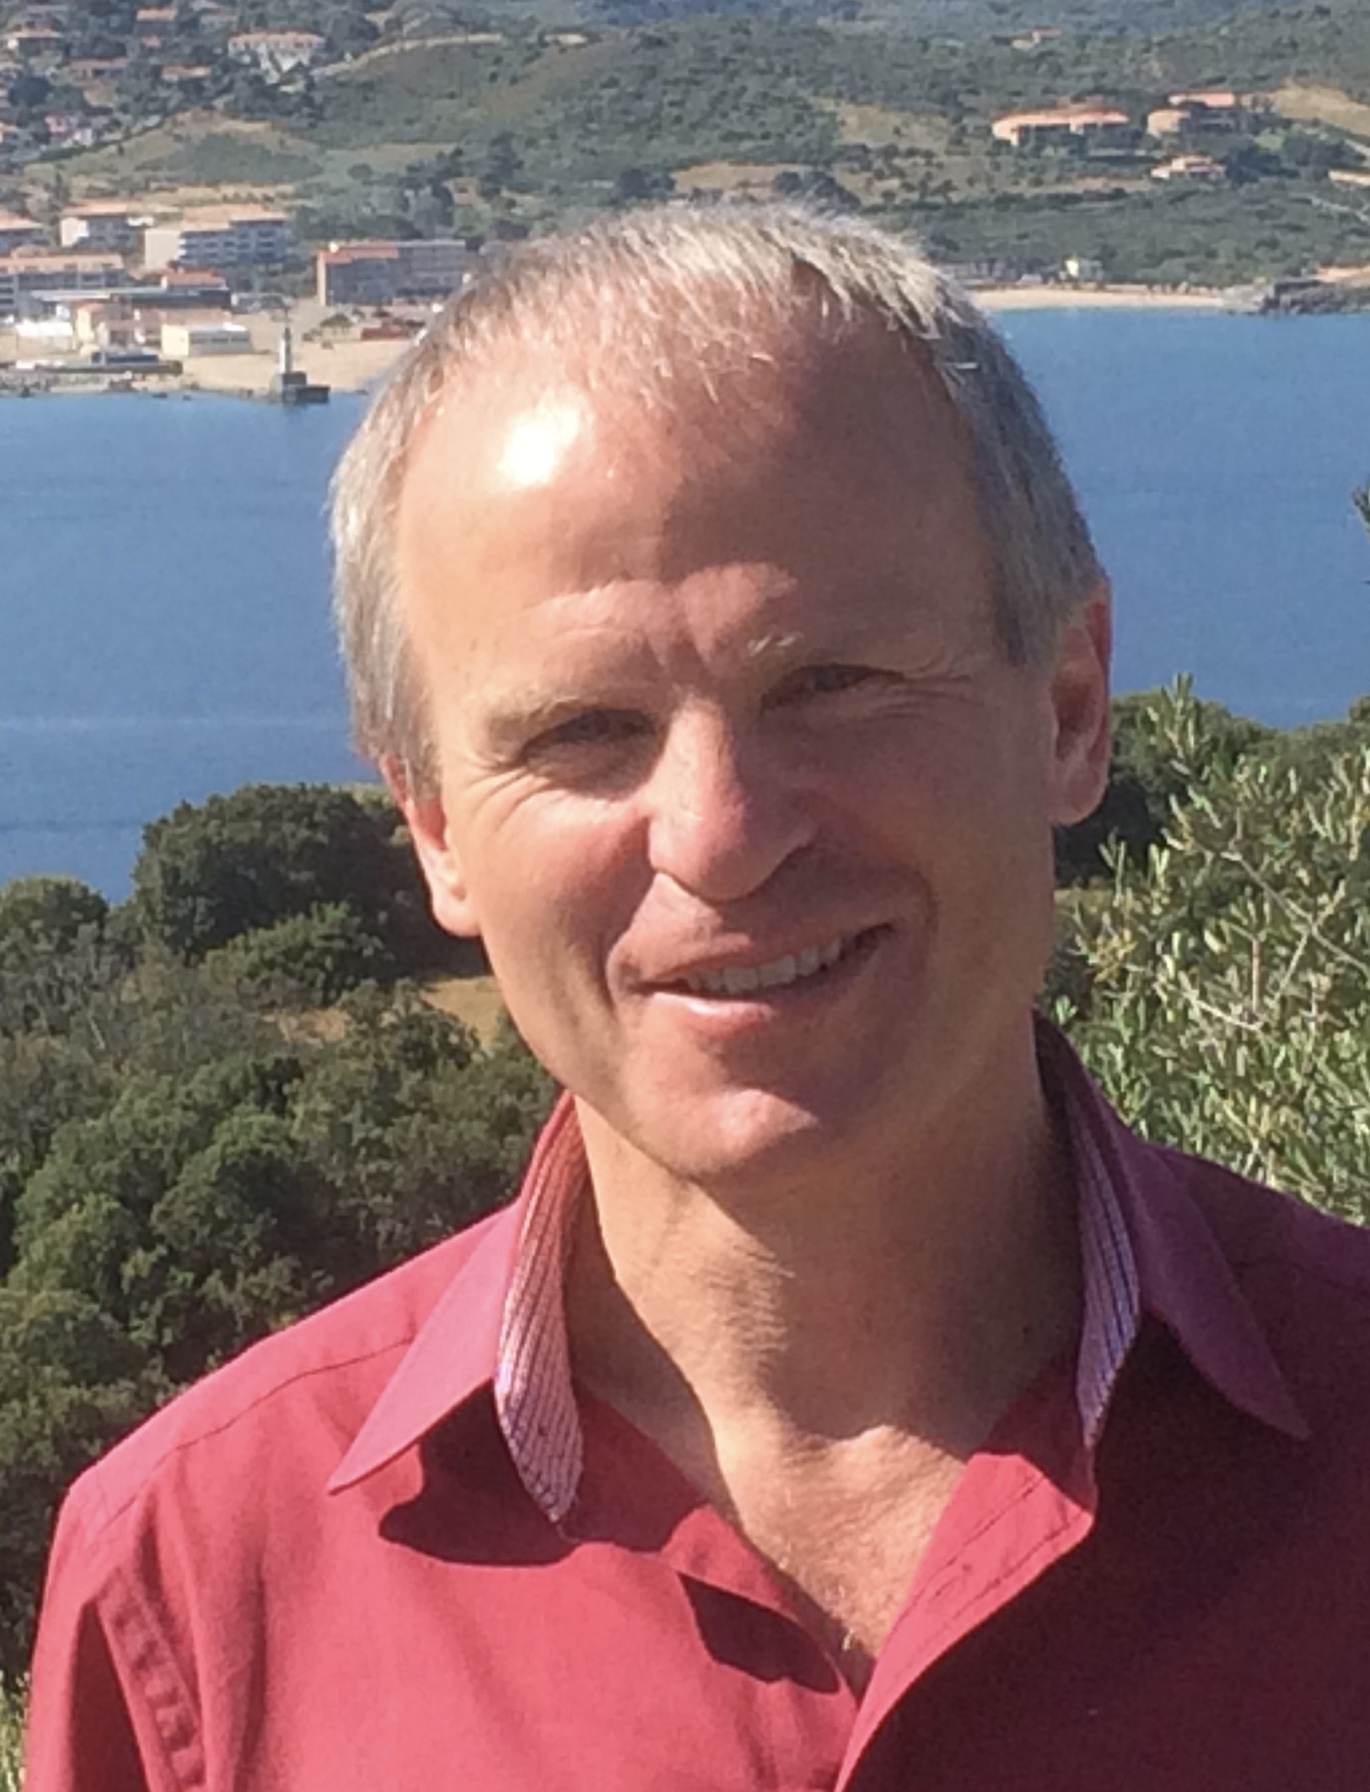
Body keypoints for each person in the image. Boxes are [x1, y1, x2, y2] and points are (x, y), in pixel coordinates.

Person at [25, 205, 1370, 1791]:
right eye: (583, 731)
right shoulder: (194, 1592)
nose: (719, 837)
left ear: (1070, 709)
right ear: (436, 829)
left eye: (829, 684)